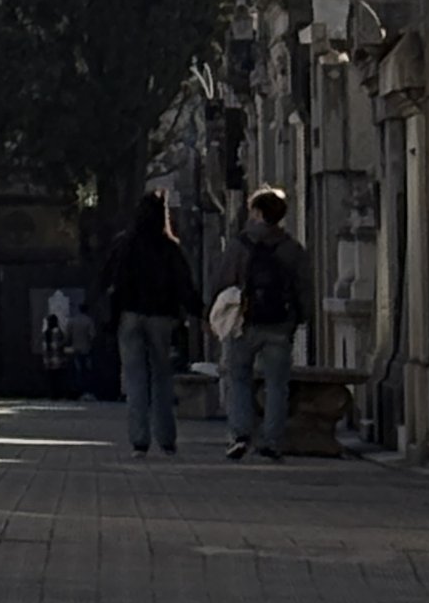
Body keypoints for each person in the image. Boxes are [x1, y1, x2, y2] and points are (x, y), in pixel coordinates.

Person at [100, 191, 202, 458]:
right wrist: (198, 311)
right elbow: (184, 284)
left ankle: (139, 441)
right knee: (162, 378)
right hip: (161, 317)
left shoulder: (124, 245)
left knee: (134, 379)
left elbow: (105, 280)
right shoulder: (169, 248)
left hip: (129, 317)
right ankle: (167, 439)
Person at [222, 186, 313, 463]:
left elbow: (223, 281)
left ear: (258, 213)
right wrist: (300, 318)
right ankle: (273, 441)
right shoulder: (292, 249)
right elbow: (304, 287)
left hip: (243, 323)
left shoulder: (240, 245)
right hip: (279, 324)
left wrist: (212, 314)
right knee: (277, 385)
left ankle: (240, 434)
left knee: (238, 379)